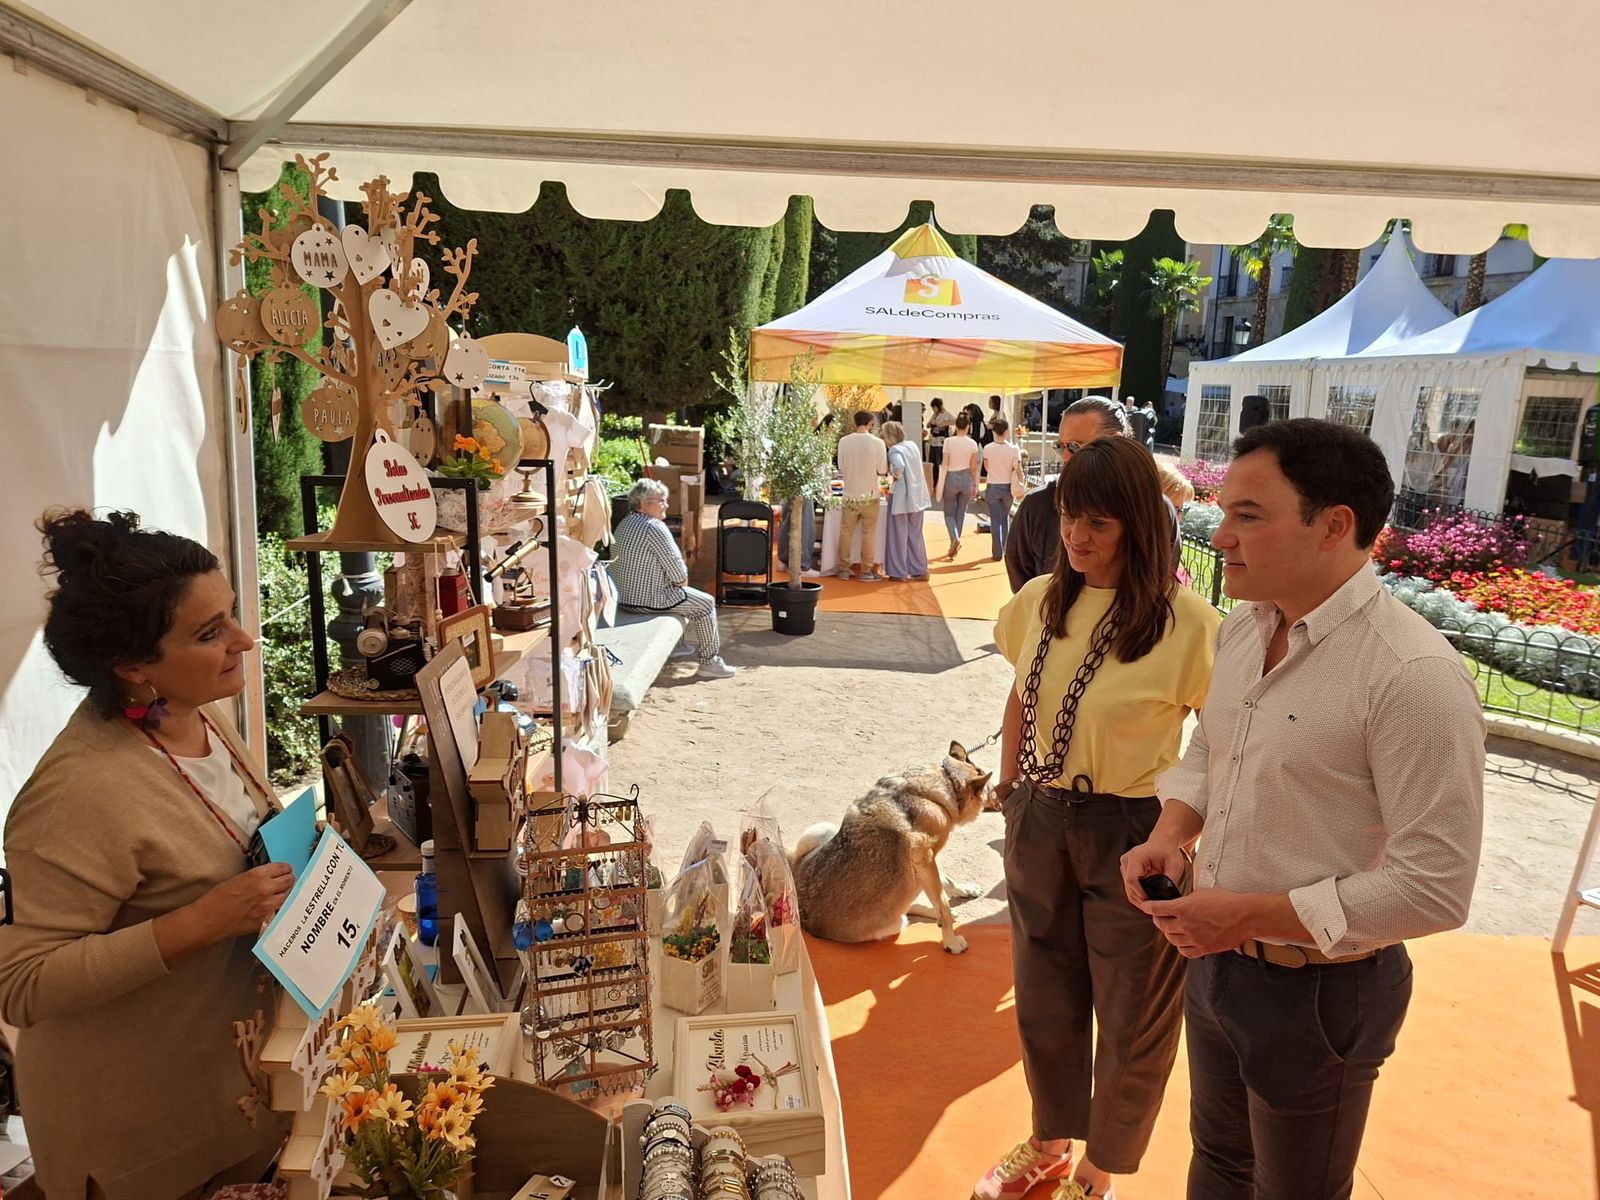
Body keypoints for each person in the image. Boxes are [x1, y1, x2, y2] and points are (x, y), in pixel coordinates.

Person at [1120, 419, 1485, 1200]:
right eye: (1224, 512)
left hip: (1324, 992)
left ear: (1335, 525)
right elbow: (1213, 751)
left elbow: (1436, 887)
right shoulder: (1246, 631)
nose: (1219, 536)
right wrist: (1171, 833)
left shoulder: (1411, 675)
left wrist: (1247, 916)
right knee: (1218, 1164)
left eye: (1248, 515)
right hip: (1216, 962)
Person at [0, 509, 293, 1199]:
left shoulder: (191, 712)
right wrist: (199, 922)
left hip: (230, 1096)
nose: (243, 641)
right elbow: (22, 983)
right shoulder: (77, 793)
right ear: (132, 666)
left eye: (232, 615)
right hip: (141, 1137)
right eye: (209, 632)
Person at [979, 438, 1221, 1200]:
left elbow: (1222, 743)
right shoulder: (1040, 600)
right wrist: (1013, 788)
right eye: (1069, 518)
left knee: (1133, 1012)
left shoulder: (1188, 624)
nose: (1078, 538)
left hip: (1136, 831)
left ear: (1140, 527)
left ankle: (1100, 1169)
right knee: (1044, 991)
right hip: (1042, 819)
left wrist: (1179, 839)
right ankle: (1050, 1140)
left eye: (1100, 524)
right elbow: (1023, 694)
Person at [612, 479, 735, 678]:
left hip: (624, 598)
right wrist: (679, 583)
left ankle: (678, 646)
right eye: (661, 501)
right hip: (648, 601)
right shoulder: (654, 527)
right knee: (705, 604)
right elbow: (679, 574)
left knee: (679, 593)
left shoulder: (624, 523)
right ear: (644, 504)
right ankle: (709, 662)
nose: (666, 505)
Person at [1005, 397, 1129, 590]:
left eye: (1075, 446)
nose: (1065, 457)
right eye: (1060, 446)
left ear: (1115, 442)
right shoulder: (1038, 504)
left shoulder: (1152, 508)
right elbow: (1019, 573)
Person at [835, 411, 889, 581]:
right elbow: (882, 470)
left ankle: (843, 568)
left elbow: (841, 467)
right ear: (870, 423)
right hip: (870, 494)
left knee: (846, 532)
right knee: (868, 534)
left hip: (850, 494)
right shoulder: (878, 443)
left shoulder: (844, 441)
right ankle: (866, 570)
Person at [882, 420, 931, 580]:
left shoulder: (894, 450)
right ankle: (920, 569)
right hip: (917, 495)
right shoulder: (912, 446)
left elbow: (898, 467)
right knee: (915, 534)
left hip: (901, 498)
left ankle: (898, 571)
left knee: (898, 535)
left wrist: (895, 478)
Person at [937, 411, 981, 559]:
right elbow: (974, 467)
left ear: (956, 426)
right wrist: (975, 485)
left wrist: (939, 483)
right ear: (968, 427)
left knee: (949, 512)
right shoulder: (973, 443)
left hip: (951, 476)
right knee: (961, 512)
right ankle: (955, 542)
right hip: (967, 477)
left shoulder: (949, 442)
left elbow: (944, 463)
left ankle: (954, 539)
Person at [980, 416, 1023, 560]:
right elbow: (1017, 468)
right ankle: (1004, 549)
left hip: (992, 485)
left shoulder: (987, 448)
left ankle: (996, 551)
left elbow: (986, 467)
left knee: (995, 519)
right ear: (1006, 431)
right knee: (1005, 518)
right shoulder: (1013, 449)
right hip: (1008, 487)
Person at [928, 397, 954, 473]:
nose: (934, 410)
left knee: (939, 462)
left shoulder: (946, 414)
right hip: (933, 440)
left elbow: (954, 421)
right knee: (932, 462)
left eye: (934, 408)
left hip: (941, 441)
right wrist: (931, 423)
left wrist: (944, 423)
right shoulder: (934, 415)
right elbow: (928, 424)